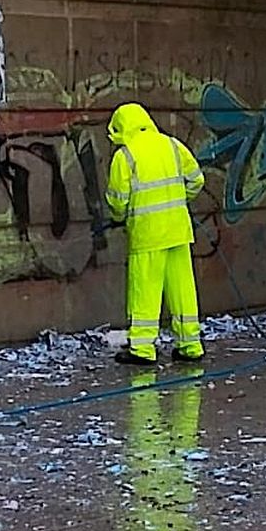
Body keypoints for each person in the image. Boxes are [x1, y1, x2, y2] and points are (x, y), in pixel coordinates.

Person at [104, 102, 206, 365]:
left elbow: (118, 200)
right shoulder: (172, 145)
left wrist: (119, 218)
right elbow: (196, 180)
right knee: (183, 290)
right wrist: (180, 201)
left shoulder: (125, 156)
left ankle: (142, 349)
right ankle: (190, 344)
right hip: (178, 230)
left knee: (145, 292)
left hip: (148, 234)